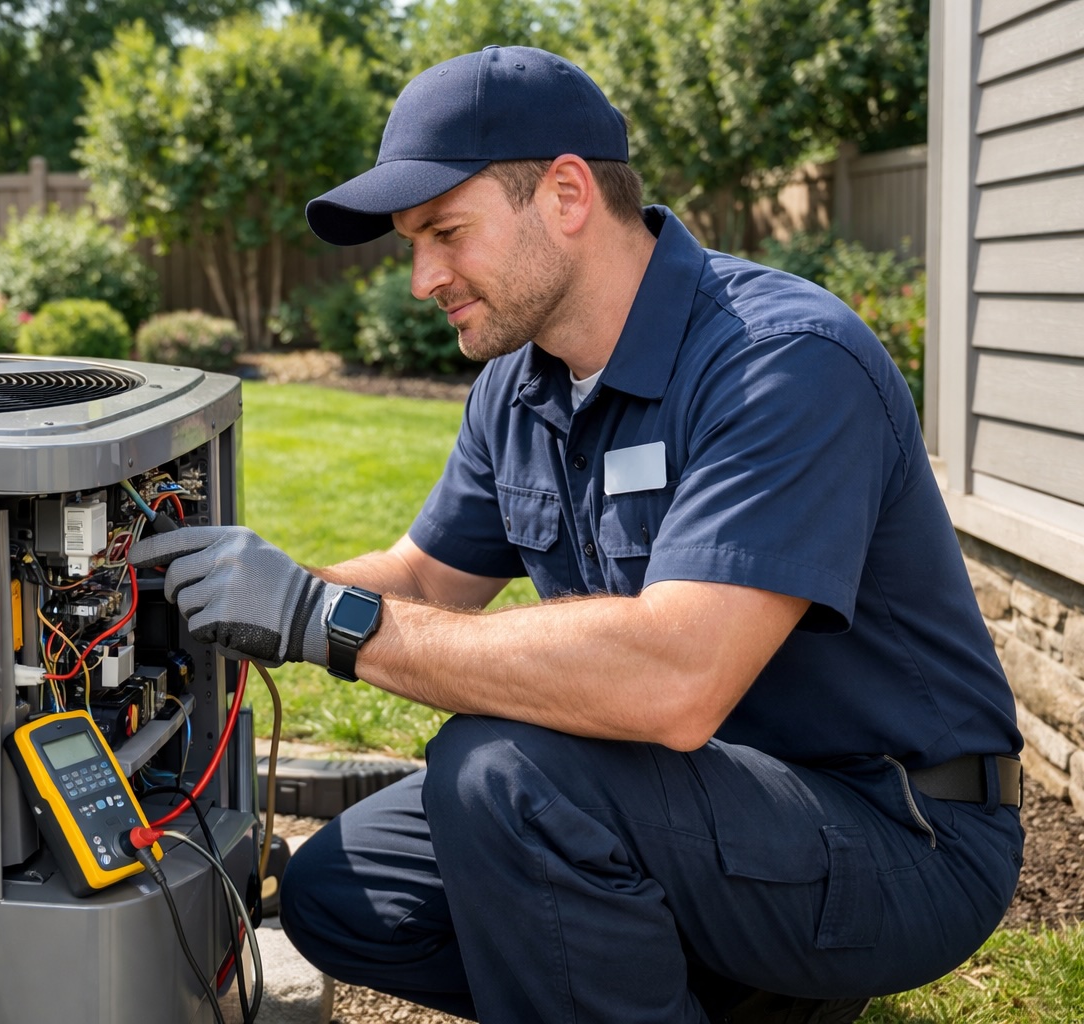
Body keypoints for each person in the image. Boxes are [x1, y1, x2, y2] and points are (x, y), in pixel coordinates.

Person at [129, 45, 1024, 1024]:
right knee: (341, 891)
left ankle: (773, 971)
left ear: (564, 194)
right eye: (408, 243)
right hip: (692, 802)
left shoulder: (780, 360)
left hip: (896, 833)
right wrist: (236, 596)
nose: (422, 276)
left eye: (446, 232)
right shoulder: (523, 385)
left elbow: (675, 680)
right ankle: (738, 988)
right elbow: (428, 577)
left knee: (501, 772)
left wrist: (325, 618)